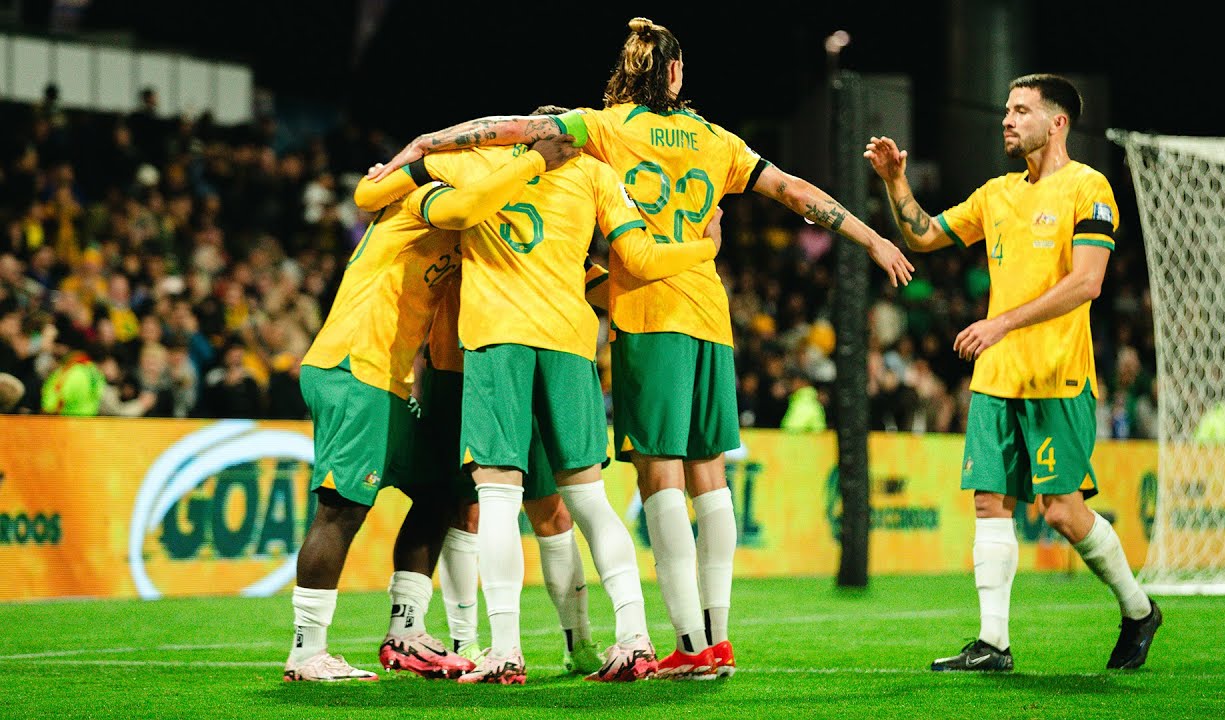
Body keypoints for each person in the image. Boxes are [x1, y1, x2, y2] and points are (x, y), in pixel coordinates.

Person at [365, 17, 914, 679]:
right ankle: (713, 635)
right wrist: (873, 238)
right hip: (709, 314)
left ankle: (676, 640)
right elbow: (796, 192)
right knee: (708, 479)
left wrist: (426, 143)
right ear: (677, 74)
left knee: (650, 479)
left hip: (642, 313)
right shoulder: (717, 140)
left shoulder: (599, 128)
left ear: (626, 70)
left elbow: (511, 132)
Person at [396, 109, 725, 685]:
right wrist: (706, 249)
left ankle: (503, 650)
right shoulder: (592, 171)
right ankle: (635, 639)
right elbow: (641, 260)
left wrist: (408, 156)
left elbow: (377, 190)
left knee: (497, 500)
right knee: (590, 502)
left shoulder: (477, 159)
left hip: (497, 341)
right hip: (570, 345)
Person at [863, 73, 1162, 672]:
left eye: (1021, 110)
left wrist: (1001, 324)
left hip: (1057, 375)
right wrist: (896, 182)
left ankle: (1138, 609)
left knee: (1061, 511)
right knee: (989, 502)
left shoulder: (1089, 186)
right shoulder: (996, 193)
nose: (1007, 119)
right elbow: (923, 234)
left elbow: (1088, 282)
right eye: (1005, 109)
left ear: (1058, 123)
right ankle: (993, 643)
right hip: (998, 379)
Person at [282, 136, 580, 683]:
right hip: (353, 365)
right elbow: (439, 198)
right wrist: (536, 158)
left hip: (386, 378)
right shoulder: (427, 197)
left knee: (441, 488)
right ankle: (307, 651)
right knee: (341, 508)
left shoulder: (468, 225)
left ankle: (406, 631)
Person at [352, 153, 619, 678]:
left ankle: (578, 643)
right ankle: (466, 640)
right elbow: (377, 209)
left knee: (551, 512)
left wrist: (648, 293)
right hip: (459, 367)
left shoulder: (538, 213)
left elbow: (590, 280)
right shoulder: (464, 201)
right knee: (462, 508)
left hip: (528, 361)